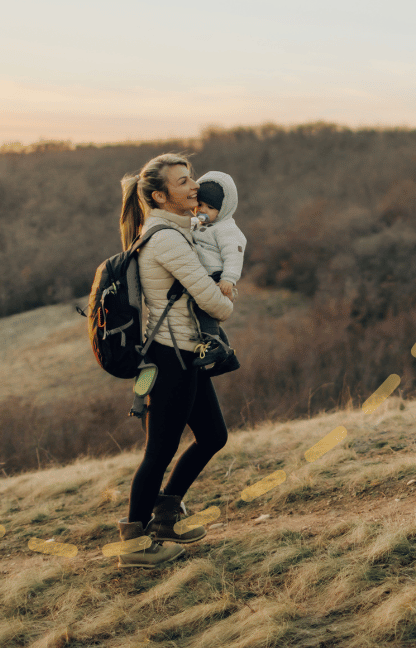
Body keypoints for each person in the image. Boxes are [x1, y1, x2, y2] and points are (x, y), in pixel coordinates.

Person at [115, 152, 234, 568]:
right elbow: (215, 305)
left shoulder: (174, 231)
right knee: (159, 452)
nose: (194, 185)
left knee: (213, 436)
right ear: (161, 196)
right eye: (183, 181)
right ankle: (134, 543)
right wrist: (227, 295)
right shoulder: (165, 239)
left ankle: (166, 516)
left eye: (192, 177)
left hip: (186, 356)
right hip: (170, 361)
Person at [192, 170, 247, 298]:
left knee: (207, 310)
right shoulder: (194, 223)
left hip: (215, 277)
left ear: (223, 209)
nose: (202, 210)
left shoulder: (226, 229)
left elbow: (233, 254)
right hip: (197, 276)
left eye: (210, 207)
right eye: (199, 204)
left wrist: (228, 278)